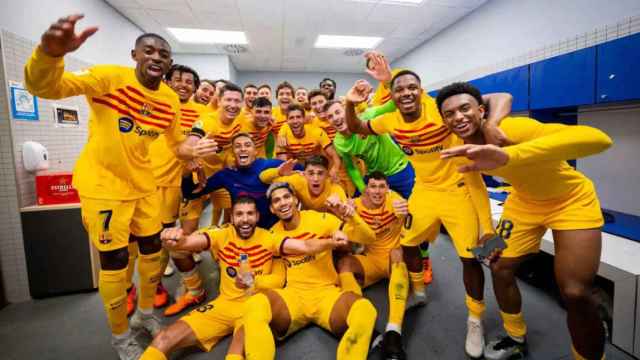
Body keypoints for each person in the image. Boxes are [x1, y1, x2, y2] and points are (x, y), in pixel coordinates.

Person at [24, 14, 217, 359]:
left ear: (168, 64)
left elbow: (176, 144)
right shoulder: (109, 78)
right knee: (113, 260)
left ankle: (144, 314)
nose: (157, 57)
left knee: (152, 250)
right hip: (104, 186)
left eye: (164, 54)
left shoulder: (170, 101)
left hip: (144, 185)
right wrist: (49, 55)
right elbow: (46, 88)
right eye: (150, 51)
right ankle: (120, 335)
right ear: (135, 55)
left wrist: (193, 149)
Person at [437, 82, 613, 360]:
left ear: (480, 110)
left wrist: (510, 153)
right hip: (524, 202)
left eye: (464, 108)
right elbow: (476, 187)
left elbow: (599, 139)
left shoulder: (514, 128)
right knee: (498, 265)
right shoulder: (462, 147)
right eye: (449, 114)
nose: (458, 117)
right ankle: (515, 336)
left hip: (571, 199)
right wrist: (486, 231)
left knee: (575, 292)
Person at [343, 70, 510, 359]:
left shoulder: (439, 109)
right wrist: (349, 103)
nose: (406, 93)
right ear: (392, 96)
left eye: (413, 88)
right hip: (424, 191)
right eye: (400, 90)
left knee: (469, 258)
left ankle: (474, 319)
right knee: (407, 244)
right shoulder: (390, 120)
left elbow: (501, 96)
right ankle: (418, 291)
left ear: (422, 91)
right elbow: (357, 126)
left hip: (458, 189)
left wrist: (492, 123)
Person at [140, 196, 286, 360]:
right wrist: (177, 240)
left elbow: (280, 280)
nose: (245, 219)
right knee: (163, 339)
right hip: (224, 304)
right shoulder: (223, 234)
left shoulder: (271, 238)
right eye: (239, 214)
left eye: (250, 213)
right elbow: (191, 241)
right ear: (231, 217)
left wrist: (255, 282)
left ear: (258, 216)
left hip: (256, 307)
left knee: (234, 354)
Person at [243, 182, 378, 360]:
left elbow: (368, 238)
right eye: (276, 201)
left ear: (296, 200)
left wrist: (353, 218)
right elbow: (277, 276)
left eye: (286, 197)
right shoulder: (272, 235)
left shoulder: (320, 219)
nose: (282, 203)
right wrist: (254, 282)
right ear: (272, 209)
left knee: (365, 310)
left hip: (327, 295)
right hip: (293, 297)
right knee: (254, 305)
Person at [164, 83, 245, 316]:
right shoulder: (206, 121)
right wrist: (194, 150)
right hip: (197, 181)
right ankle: (193, 288)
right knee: (185, 239)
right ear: (218, 100)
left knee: (234, 225)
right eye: (227, 100)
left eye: (236, 101)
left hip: (223, 179)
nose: (232, 105)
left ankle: (229, 271)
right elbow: (186, 146)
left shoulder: (241, 121)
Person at [144, 63, 208, 311]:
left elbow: (198, 148)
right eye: (178, 79)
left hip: (181, 183)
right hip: (148, 181)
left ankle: (193, 288)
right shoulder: (153, 105)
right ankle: (154, 285)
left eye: (189, 81)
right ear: (167, 82)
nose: (183, 84)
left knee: (170, 239)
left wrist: (199, 169)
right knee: (149, 241)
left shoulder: (200, 113)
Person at [336, 172, 414, 359]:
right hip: (371, 260)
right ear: (365, 189)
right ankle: (364, 326)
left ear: (387, 189)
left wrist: (407, 210)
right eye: (373, 186)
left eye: (382, 187)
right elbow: (346, 239)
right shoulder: (354, 206)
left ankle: (394, 332)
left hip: (394, 261)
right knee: (344, 263)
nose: (378, 191)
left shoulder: (395, 200)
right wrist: (347, 217)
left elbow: (413, 219)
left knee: (397, 252)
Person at [182, 133, 302, 228]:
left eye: (247, 145)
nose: (243, 149)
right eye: (238, 146)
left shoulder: (272, 165)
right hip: (244, 232)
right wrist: (186, 173)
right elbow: (190, 193)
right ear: (233, 153)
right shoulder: (225, 175)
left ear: (255, 151)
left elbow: (307, 171)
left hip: (275, 230)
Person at [275, 103, 342, 180]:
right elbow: (283, 165)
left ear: (304, 119)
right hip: (297, 169)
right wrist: (295, 173)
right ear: (287, 120)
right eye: (291, 118)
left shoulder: (317, 132)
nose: (295, 121)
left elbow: (334, 156)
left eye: (298, 117)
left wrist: (334, 169)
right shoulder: (282, 137)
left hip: (317, 167)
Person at [260, 155, 347, 212]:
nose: (315, 179)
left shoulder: (335, 189)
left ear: (327, 175)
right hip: (304, 218)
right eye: (311, 173)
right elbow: (263, 178)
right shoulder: (298, 180)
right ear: (304, 174)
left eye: (320, 173)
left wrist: (341, 206)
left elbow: (345, 211)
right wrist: (279, 172)